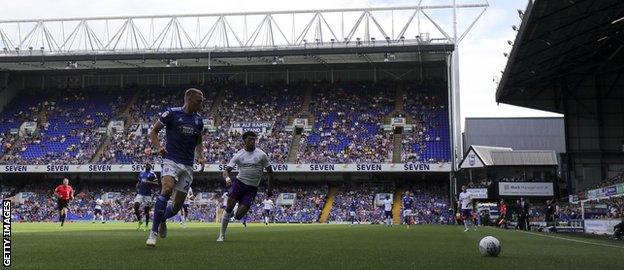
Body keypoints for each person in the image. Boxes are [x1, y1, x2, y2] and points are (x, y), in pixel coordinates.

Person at [146, 88, 206, 247]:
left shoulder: (199, 120)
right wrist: (159, 147)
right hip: (171, 160)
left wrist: (200, 155)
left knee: (176, 206)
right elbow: (153, 132)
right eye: (199, 101)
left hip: (187, 165)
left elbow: (199, 141)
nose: (201, 104)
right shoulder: (171, 113)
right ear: (189, 99)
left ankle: (162, 218)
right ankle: (153, 232)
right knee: (166, 190)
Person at [218, 131, 274, 242]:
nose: (253, 141)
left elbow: (270, 172)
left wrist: (269, 188)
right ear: (244, 141)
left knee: (239, 216)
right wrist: (228, 179)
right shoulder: (239, 155)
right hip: (239, 184)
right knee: (228, 208)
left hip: (252, 188)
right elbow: (226, 171)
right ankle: (221, 235)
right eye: (250, 139)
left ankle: (234, 212)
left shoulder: (261, 155)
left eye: (254, 139)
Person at [134, 163, 158, 231]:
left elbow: (157, 183)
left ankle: (146, 225)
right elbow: (139, 181)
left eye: (148, 165)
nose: (147, 166)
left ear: (150, 166)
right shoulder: (141, 173)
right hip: (140, 193)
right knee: (135, 207)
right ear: (145, 166)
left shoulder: (152, 174)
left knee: (146, 211)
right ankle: (140, 221)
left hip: (147, 194)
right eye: (146, 165)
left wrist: (149, 182)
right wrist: (137, 185)